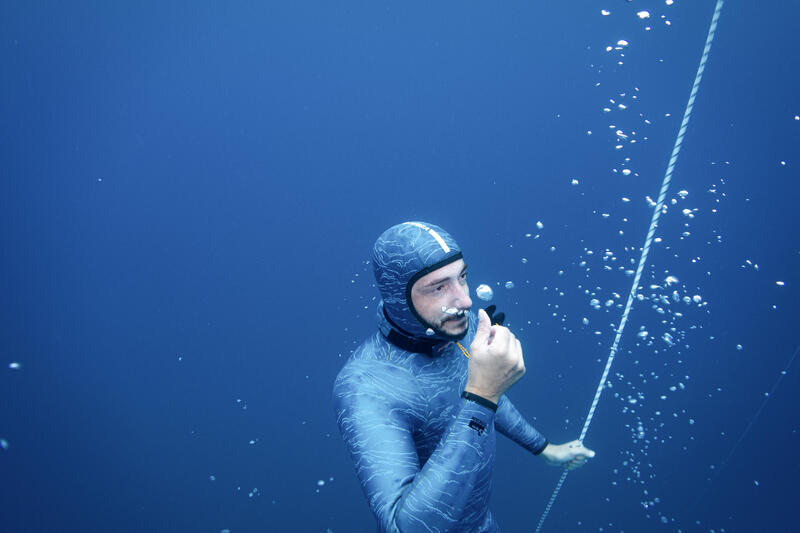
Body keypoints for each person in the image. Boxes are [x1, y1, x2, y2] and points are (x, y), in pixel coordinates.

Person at [333, 221, 595, 532]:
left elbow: (480, 392)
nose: (465, 302)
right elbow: (403, 528)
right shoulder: (363, 387)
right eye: (439, 287)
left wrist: (543, 447)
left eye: (462, 278)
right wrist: (482, 396)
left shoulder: (461, 327)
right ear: (398, 298)